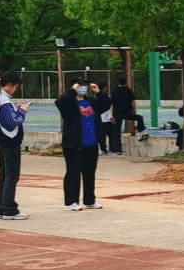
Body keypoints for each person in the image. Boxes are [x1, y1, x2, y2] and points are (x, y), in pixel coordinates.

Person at [56, 78, 108, 210]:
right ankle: (71, 202)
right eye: (80, 85)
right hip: (74, 144)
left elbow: (106, 104)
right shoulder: (69, 103)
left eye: (85, 85)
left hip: (91, 143)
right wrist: (72, 91)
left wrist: (99, 92)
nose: (83, 87)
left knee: (89, 173)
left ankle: (89, 200)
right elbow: (59, 103)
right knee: (73, 173)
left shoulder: (91, 101)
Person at [0, 70, 29, 220]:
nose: (16, 90)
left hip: (0, 140)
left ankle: (1, 208)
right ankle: (9, 209)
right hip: (9, 141)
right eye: (16, 87)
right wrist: (22, 111)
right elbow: (11, 123)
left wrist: (16, 110)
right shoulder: (4, 100)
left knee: (4, 175)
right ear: (10, 85)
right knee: (12, 175)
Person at [110, 78, 145, 151]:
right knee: (139, 118)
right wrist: (134, 111)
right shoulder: (128, 90)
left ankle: (117, 149)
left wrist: (111, 115)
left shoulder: (114, 91)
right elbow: (133, 102)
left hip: (117, 113)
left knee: (116, 131)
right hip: (127, 112)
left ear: (118, 82)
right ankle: (140, 133)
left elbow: (112, 105)